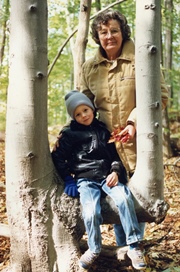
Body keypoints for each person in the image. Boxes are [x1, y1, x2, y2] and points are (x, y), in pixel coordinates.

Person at [79, 9, 169, 246]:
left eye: (114, 31)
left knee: (137, 197)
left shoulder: (142, 59)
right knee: (118, 196)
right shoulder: (89, 68)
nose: (109, 36)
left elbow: (160, 97)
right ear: (97, 36)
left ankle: (133, 250)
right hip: (105, 149)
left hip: (140, 143)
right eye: (103, 32)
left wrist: (133, 123)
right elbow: (83, 108)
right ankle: (124, 249)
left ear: (123, 32)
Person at [51, 90, 147, 270]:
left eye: (85, 110)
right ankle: (94, 248)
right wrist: (68, 179)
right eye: (77, 114)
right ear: (73, 117)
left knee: (124, 198)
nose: (83, 116)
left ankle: (134, 245)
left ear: (92, 109)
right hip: (85, 180)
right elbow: (57, 157)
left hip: (107, 177)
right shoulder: (69, 134)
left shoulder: (103, 130)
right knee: (91, 211)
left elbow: (115, 156)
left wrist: (116, 172)